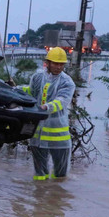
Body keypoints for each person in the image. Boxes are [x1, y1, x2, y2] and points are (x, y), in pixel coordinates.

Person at [21, 47, 75, 181]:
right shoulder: (38, 77)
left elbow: (62, 100)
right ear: (48, 63)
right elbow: (31, 92)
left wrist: (47, 107)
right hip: (38, 135)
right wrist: (16, 89)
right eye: (56, 63)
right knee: (40, 175)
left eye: (61, 64)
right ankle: (40, 198)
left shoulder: (67, 82)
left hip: (58, 137)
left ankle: (56, 197)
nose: (58, 67)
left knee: (60, 175)